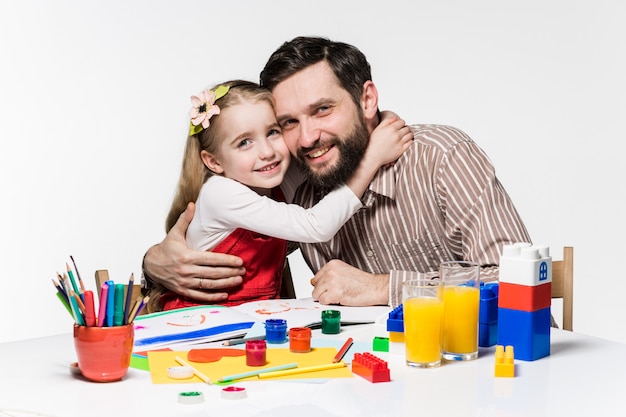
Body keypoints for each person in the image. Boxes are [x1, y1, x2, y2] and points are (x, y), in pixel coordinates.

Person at [142, 36, 531, 308]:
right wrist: (154, 263)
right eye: (288, 123)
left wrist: (381, 288)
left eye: (322, 109)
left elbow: (519, 284)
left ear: (367, 99)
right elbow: (235, 246)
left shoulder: (441, 158)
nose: (308, 137)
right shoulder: (292, 182)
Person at [144, 79, 412, 312]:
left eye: (272, 132)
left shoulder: (275, 178)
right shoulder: (219, 193)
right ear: (214, 162)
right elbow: (316, 225)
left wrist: (378, 119)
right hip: (198, 325)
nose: (267, 151)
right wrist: (373, 158)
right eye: (244, 142)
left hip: (254, 323)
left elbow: (342, 143)